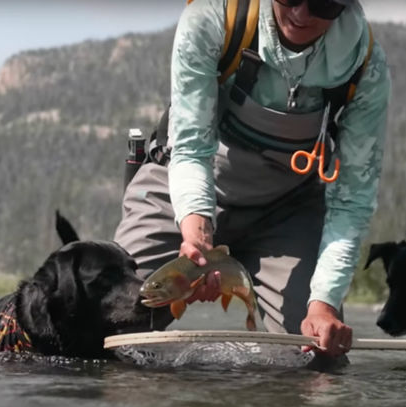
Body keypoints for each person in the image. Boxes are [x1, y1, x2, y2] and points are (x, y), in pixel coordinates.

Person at [114, 0, 391, 360]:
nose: (301, 14)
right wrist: (200, 244)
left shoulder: (366, 67)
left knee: (314, 354)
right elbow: (191, 149)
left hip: (288, 213)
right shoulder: (212, 17)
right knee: (111, 324)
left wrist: (323, 303)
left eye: (323, 4)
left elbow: (351, 202)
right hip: (180, 192)